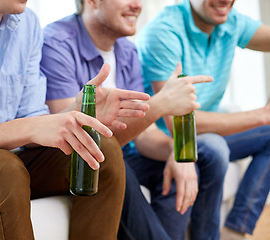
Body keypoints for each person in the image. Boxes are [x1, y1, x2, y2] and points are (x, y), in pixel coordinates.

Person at [0, 0, 157, 239]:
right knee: (0, 169)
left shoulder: (26, 24)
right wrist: (30, 127)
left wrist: (76, 111)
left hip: (8, 161)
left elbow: (33, 122)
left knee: (101, 151)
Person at [40, 0, 217, 239]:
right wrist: (161, 103)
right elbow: (73, 138)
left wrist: (175, 151)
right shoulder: (56, 43)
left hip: (125, 154)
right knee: (113, 161)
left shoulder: (127, 51)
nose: (137, 5)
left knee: (186, 161)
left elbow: (145, 134)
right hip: (78, 160)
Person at [136, 0, 270, 239]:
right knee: (214, 147)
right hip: (167, 139)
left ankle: (235, 229)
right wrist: (261, 115)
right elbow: (177, 122)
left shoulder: (231, 21)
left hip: (206, 134)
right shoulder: (164, 32)